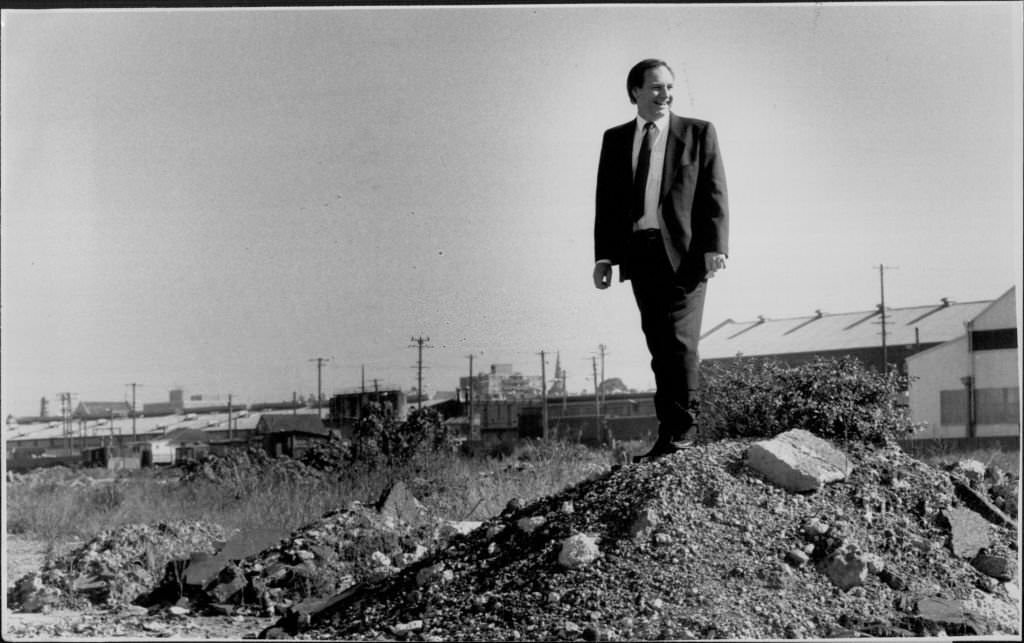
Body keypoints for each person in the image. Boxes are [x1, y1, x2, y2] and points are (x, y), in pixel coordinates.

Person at [593, 58, 729, 462]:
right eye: (655, 87)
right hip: (640, 253)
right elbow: (607, 202)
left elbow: (714, 190)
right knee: (658, 345)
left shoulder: (698, 132)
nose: (665, 94)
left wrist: (715, 246)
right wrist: (604, 257)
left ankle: (684, 431)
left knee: (681, 343)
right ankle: (669, 434)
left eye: (669, 87)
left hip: (686, 255)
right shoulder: (615, 139)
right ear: (634, 91)